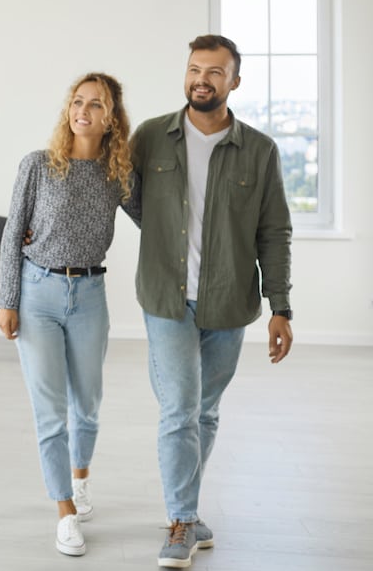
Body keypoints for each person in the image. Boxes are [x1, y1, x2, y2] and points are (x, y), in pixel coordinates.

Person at [128, 34, 293, 569]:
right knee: (179, 410)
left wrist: (281, 307)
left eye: (215, 72)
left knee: (206, 412)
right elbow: (117, 194)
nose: (202, 78)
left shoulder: (261, 150)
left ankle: (188, 508)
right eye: (195, 68)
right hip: (165, 301)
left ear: (234, 82)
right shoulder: (150, 137)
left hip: (229, 304)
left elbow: (274, 233)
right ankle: (180, 522)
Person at [0, 72, 133, 558]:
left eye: (96, 105)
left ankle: (80, 479)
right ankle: (65, 512)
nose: (84, 111)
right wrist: (6, 301)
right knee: (50, 412)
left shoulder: (119, 174)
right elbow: (13, 235)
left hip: (91, 294)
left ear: (111, 117)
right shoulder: (37, 165)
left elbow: (158, 219)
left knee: (88, 405)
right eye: (78, 101)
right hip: (38, 294)